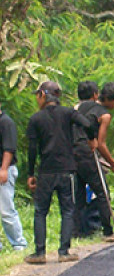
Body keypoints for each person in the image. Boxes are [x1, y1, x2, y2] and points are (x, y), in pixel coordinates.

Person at [25, 81, 92, 264]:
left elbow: (32, 150)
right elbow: (87, 123)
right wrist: (92, 140)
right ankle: (63, 251)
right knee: (68, 210)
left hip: (46, 171)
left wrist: (31, 174)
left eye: (37, 95)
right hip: (67, 170)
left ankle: (39, 253)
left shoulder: (36, 119)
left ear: (43, 95)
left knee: (40, 212)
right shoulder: (68, 113)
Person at [72, 81, 114, 240]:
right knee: (102, 192)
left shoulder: (78, 107)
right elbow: (100, 144)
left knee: (79, 194)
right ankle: (108, 232)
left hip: (73, 152)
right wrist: (113, 164)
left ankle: (78, 232)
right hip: (88, 153)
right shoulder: (104, 115)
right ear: (110, 99)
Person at [0, 102, 28, 252]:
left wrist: (4, 169)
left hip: (5, 168)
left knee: (6, 209)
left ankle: (19, 243)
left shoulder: (6, 122)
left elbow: (9, 148)